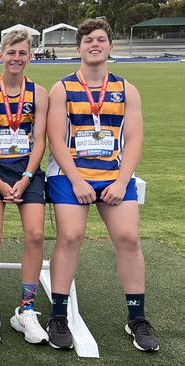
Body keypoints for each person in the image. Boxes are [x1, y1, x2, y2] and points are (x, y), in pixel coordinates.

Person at [45, 18, 159, 352]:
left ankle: (136, 317)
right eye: (88, 41)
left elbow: (134, 138)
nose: (94, 44)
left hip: (113, 174)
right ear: (78, 48)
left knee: (128, 237)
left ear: (110, 46)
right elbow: (55, 138)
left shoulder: (127, 89)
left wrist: (123, 180)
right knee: (70, 236)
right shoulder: (62, 88)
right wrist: (78, 180)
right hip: (70, 174)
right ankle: (57, 315)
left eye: (101, 40)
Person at [0, 30, 49, 344]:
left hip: (27, 171)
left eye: (22, 53)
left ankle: (25, 311)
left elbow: (40, 140)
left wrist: (26, 177)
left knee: (35, 234)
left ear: (29, 56)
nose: (16, 58)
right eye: (11, 52)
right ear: (1, 54)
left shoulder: (40, 94)